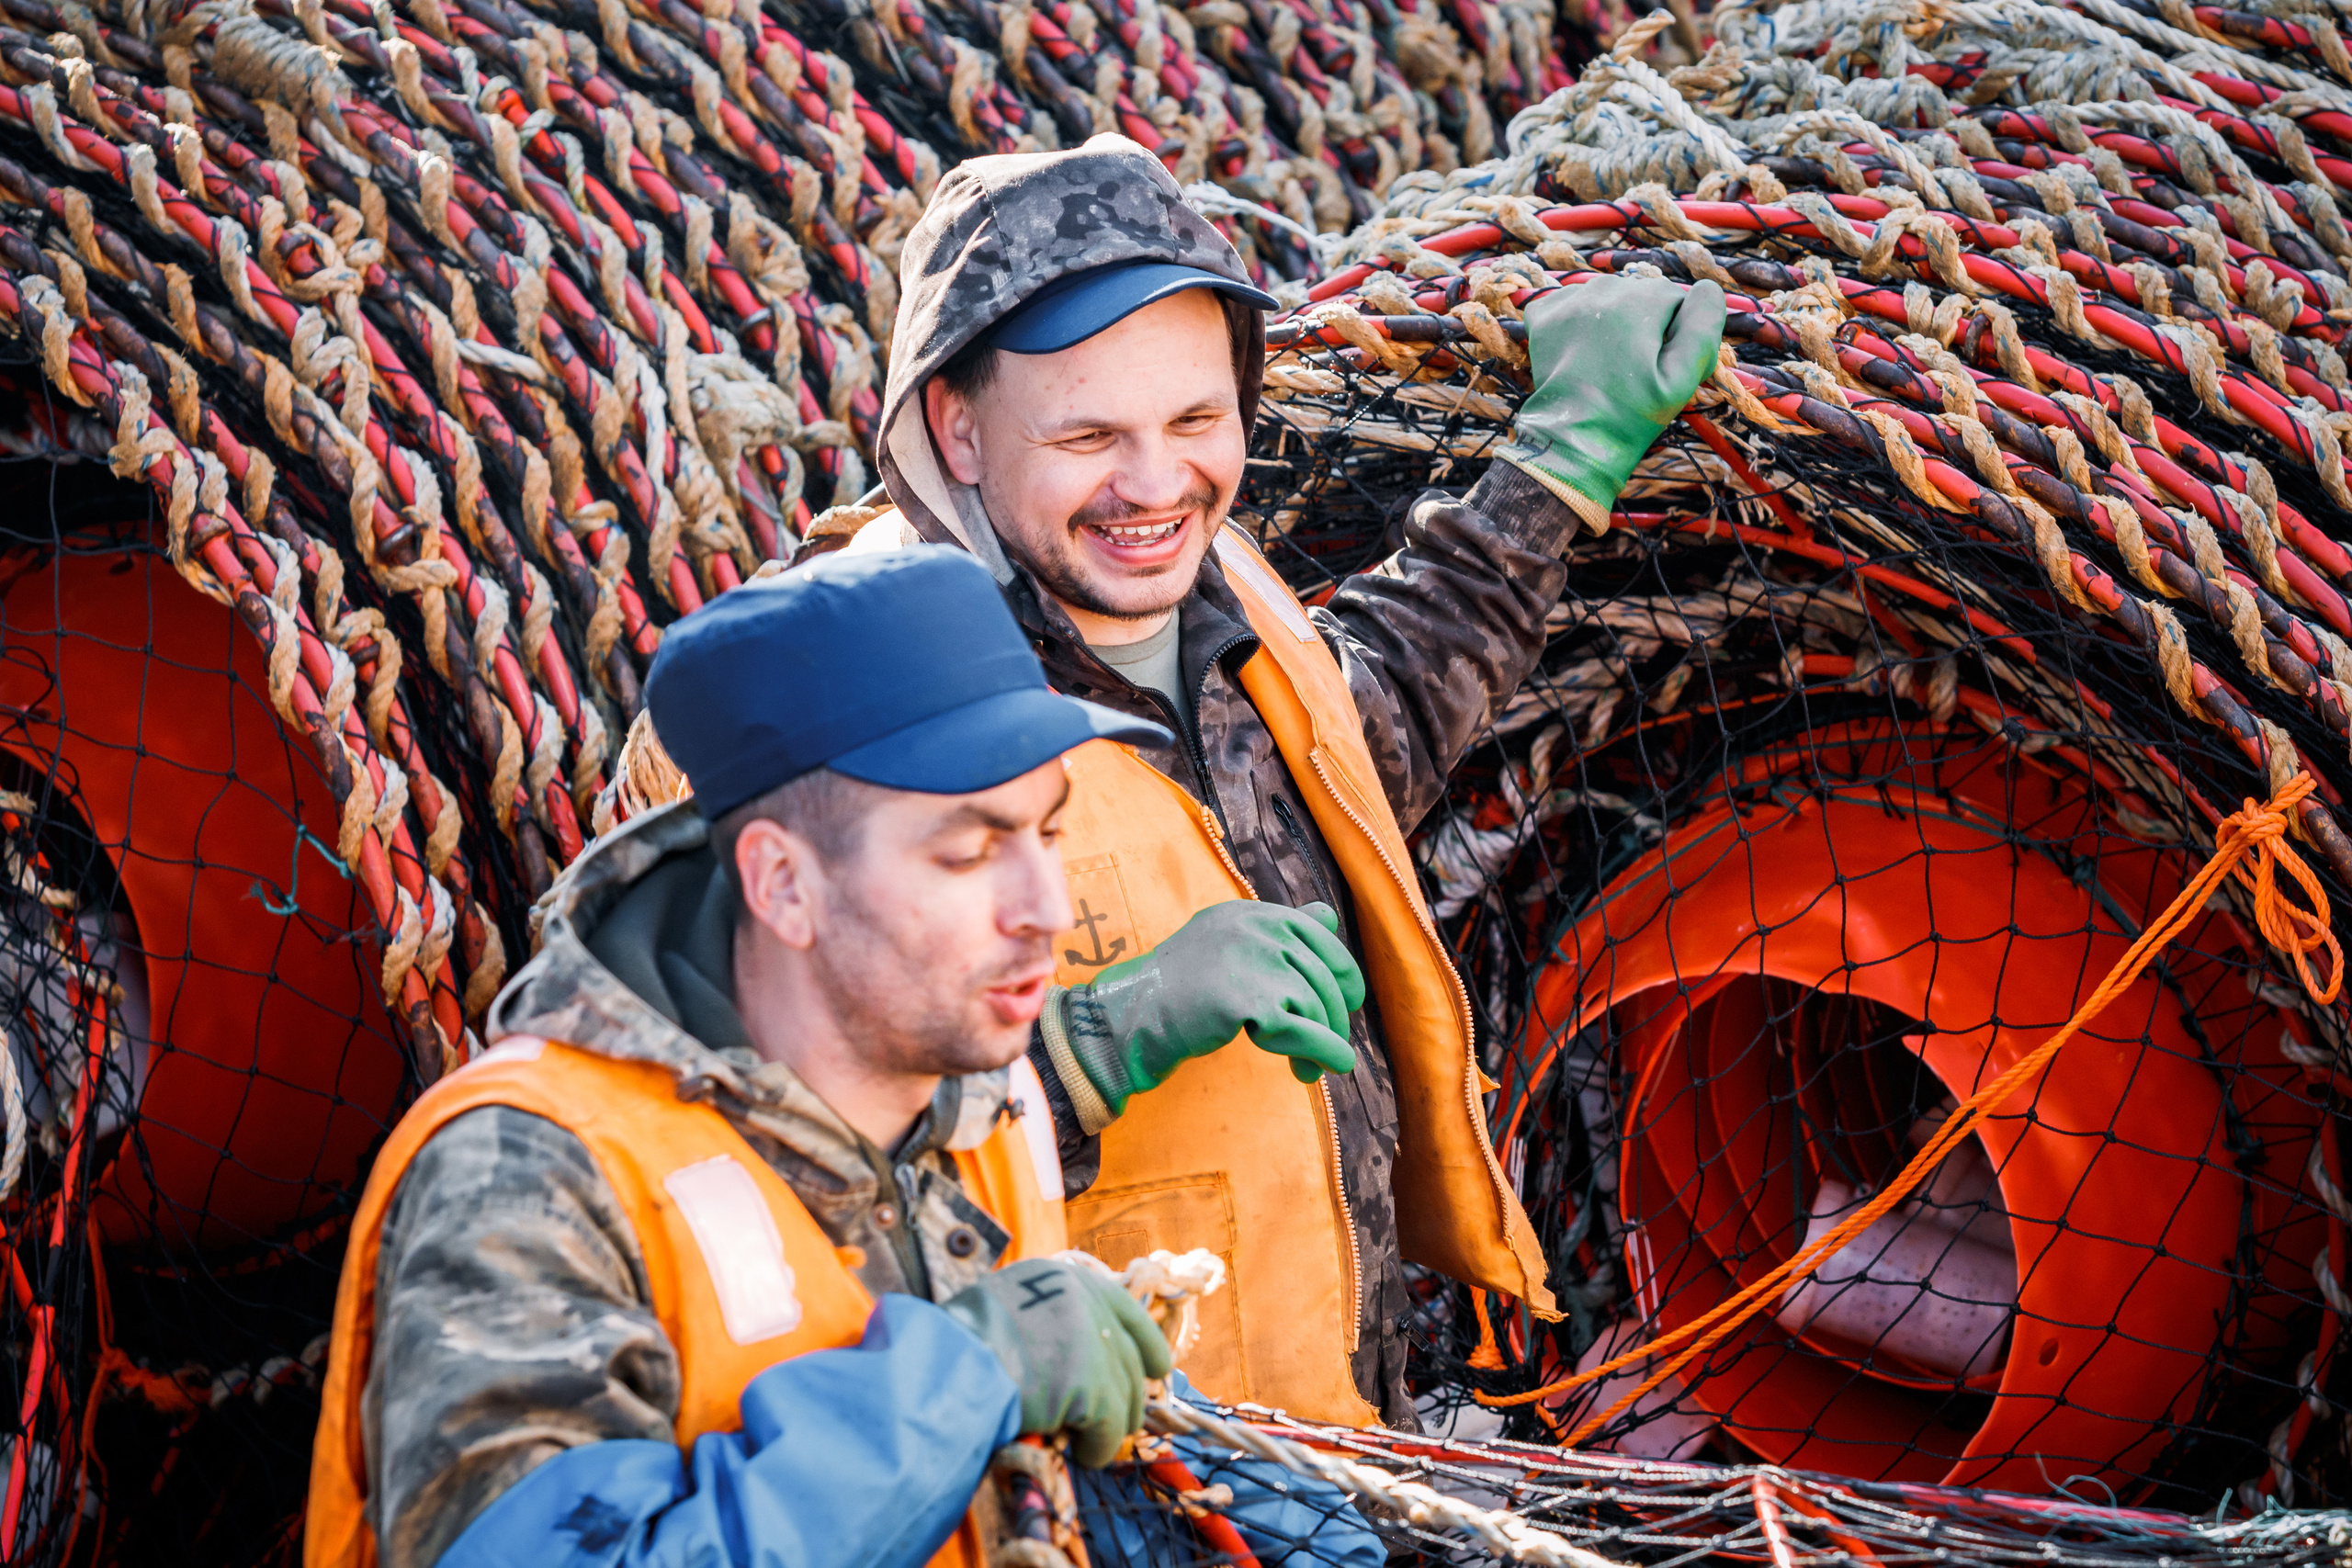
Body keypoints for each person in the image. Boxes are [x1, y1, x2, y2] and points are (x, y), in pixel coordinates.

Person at [841, 132, 1727, 1427]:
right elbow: (781, 1149)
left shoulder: (1221, 595)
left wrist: (1562, 463)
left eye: (1197, 419)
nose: (1157, 484)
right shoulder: (845, 701)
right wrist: (1102, 1035)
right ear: (955, 428)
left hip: (1336, 1431)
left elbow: (1369, 723)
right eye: (1090, 433)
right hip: (1097, 1477)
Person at [306, 548, 1193, 1568]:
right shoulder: (530, 1172)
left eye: (1047, 832)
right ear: (781, 886)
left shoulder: (989, 1096)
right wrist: (966, 1380)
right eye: (967, 853)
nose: (1046, 909)